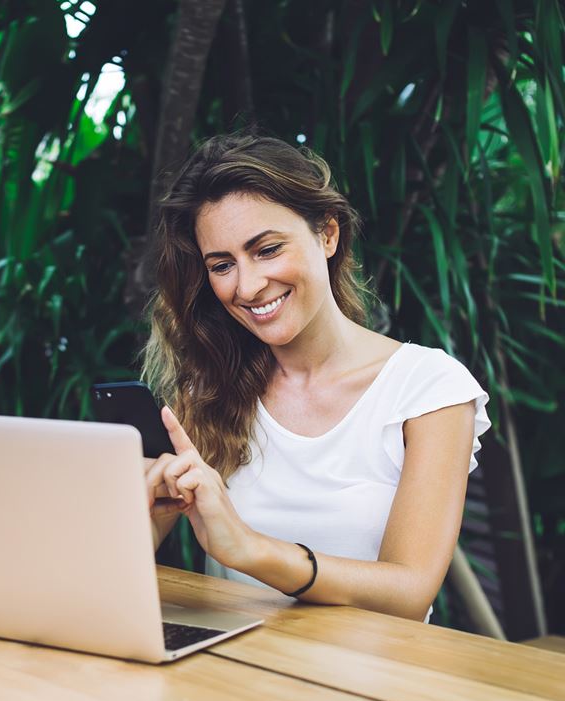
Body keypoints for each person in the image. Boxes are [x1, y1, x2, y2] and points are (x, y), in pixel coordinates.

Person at [140, 133, 490, 623]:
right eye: (222, 265)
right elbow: (108, 573)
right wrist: (145, 518)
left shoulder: (428, 389)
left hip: (375, 688)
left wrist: (251, 550)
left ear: (328, 234)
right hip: (230, 676)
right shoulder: (212, 388)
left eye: (266, 249)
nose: (247, 286)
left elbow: (410, 590)